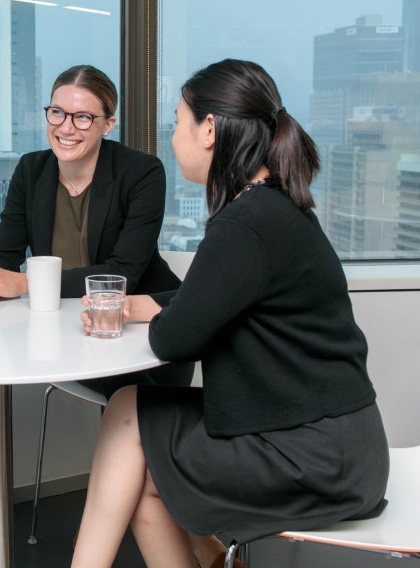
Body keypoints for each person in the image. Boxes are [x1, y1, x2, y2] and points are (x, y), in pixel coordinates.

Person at [70, 59, 389, 568]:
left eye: (177, 123)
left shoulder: (245, 224)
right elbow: (221, 299)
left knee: (130, 412)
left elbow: (173, 341)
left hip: (315, 459)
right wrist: (144, 304)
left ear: (210, 129)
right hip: (336, 445)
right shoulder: (273, 206)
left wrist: (152, 314)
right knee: (148, 473)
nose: (173, 139)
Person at [0, 64, 191, 393]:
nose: (66, 128)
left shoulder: (142, 172)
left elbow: (122, 274)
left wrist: (24, 283)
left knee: (136, 405)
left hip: (142, 334)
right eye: (57, 112)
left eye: (82, 117)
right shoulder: (31, 169)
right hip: (63, 330)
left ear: (108, 124)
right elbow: (2, 256)